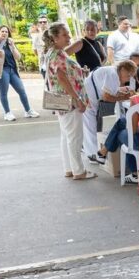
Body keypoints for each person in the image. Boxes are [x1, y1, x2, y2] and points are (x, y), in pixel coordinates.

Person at [42, 21, 96, 180]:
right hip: (69, 101)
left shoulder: (54, 53)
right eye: (64, 34)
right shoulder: (58, 55)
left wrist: (80, 72)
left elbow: (64, 74)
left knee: (67, 136)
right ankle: (79, 171)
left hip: (61, 100)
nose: (69, 37)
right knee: (74, 137)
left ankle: (70, 169)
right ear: (55, 38)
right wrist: (77, 98)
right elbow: (61, 77)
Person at [99, 65, 139, 184]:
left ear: (138, 80)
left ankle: (134, 173)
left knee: (122, 133)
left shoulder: (136, 99)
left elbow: (133, 130)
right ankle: (103, 152)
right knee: (122, 121)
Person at [83, 60, 138, 165]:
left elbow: (110, 90)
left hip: (91, 92)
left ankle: (95, 153)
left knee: (90, 124)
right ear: (122, 69)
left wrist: (121, 92)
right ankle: (93, 154)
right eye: (128, 75)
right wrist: (125, 97)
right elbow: (107, 97)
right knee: (90, 125)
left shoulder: (114, 72)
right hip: (89, 95)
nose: (128, 78)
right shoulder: (113, 74)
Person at [0, 25, 38, 121]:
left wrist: (13, 46)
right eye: (2, 31)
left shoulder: (9, 43)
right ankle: (7, 113)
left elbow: (18, 57)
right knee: (4, 92)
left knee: (21, 90)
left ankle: (28, 110)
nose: (4, 33)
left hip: (12, 70)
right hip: (1, 71)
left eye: (6, 32)